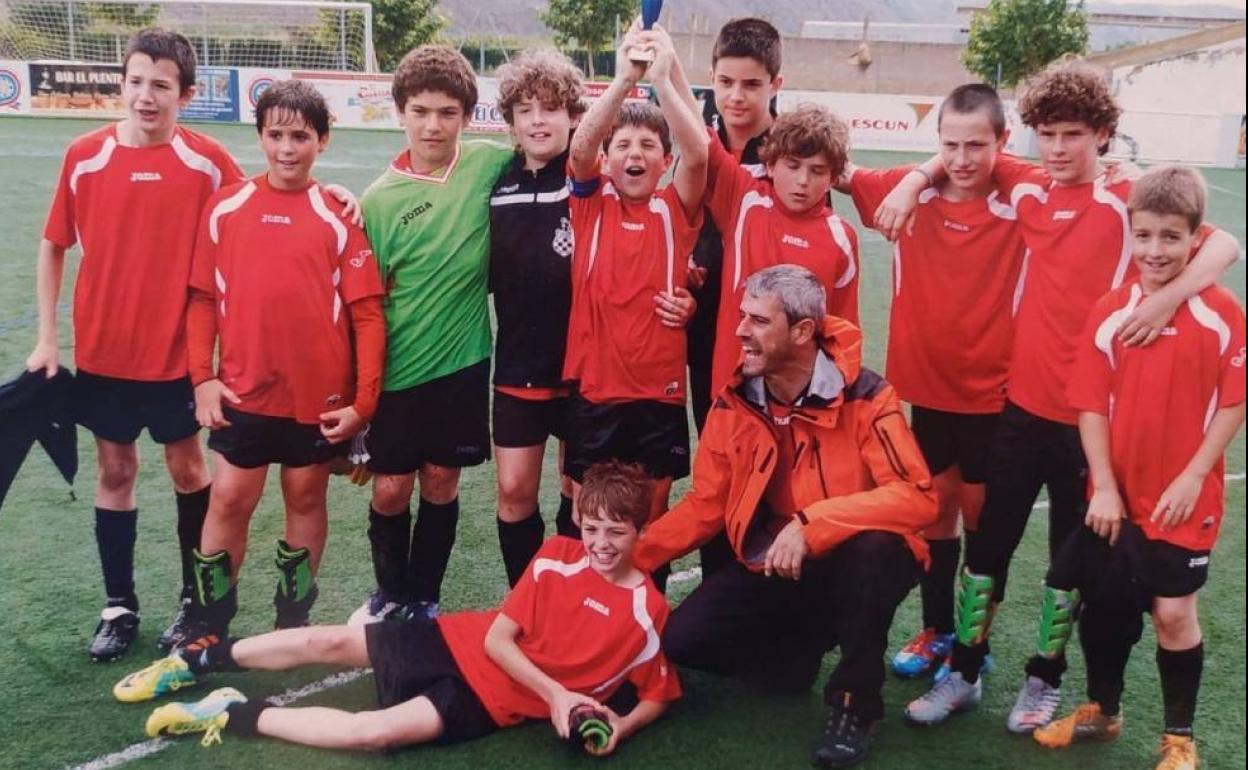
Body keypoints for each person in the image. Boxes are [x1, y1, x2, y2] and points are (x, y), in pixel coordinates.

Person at [894, 58, 1241, 731]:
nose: (1057, 149)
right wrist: (913, 180)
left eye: (1073, 134)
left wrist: (1166, 299)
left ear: (1103, 134)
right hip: (1019, 412)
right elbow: (956, 158)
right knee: (986, 555)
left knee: (1065, 569)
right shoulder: (1025, 183)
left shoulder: (1126, 196)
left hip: (1090, 426)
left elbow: (1221, 240)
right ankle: (963, 670)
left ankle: (1043, 681)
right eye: (1047, 134)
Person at [112, 462, 681, 757]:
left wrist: (620, 727)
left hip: (485, 704)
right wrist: (557, 695)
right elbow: (498, 641)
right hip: (458, 643)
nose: (601, 542)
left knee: (373, 733)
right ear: (577, 523)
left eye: (616, 531)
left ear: (639, 529)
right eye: (591, 527)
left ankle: (227, 713)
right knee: (325, 642)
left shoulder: (647, 613)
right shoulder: (557, 557)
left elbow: (656, 693)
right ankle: (197, 660)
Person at [632, 264, 937, 768]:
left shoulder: (867, 397)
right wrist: (633, 555)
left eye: (757, 320)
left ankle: (854, 704)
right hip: (777, 562)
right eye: (742, 316)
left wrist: (812, 523)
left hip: (852, 556)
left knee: (876, 552)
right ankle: (799, 649)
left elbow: (918, 497)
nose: (739, 331)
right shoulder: (733, 402)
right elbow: (706, 503)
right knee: (685, 640)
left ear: (801, 332)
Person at [26, 28, 245, 661]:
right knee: (115, 470)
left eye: (161, 86)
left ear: (187, 94)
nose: (146, 97)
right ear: (123, 84)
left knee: (186, 469)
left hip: (179, 358)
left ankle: (190, 599)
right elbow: (53, 245)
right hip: (103, 354)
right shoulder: (84, 155)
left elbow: (254, 209)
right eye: (136, 82)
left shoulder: (207, 162)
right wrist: (48, 339)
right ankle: (119, 606)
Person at [1029, 166, 1244, 770]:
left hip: (1184, 499)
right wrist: (1103, 487)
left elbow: (1233, 401)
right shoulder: (1110, 309)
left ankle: (1180, 738)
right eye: (1144, 235)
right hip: (1117, 496)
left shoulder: (1220, 312)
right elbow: (1090, 405)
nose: (1155, 250)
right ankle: (1104, 710)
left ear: (1196, 239)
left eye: (1170, 237)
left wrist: (1194, 474)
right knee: (1105, 602)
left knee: (1174, 613)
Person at [184, 79, 386, 637]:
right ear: (260, 137)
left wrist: (363, 404)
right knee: (228, 499)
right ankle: (211, 624)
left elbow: (367, 316)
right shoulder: (226, 207)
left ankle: (289, 624)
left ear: (322, 140)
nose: (287, 148)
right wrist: (202, 378)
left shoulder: (338, 214)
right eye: (275, 135)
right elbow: (202, 299)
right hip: (243, 393)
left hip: (317, 400)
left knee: (305, 496)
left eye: (300, 136)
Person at [838, 83, 1025, 679]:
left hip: (997, 399)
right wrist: (919, 177)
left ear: (1003, 141)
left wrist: (921, 173)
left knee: (983, 527)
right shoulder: (902, 191)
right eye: (951, 145)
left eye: (977, 144)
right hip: (926, 394)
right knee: (935, 517)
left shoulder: (1020, 197)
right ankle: (937, 630)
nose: (964, 159)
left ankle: (974, 642)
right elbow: (832, 167)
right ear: (936, 142)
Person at [489, 48, 694, 586]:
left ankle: (619, 609)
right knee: (538, 492)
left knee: (599, 499)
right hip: (529, 365)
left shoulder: (601, 185)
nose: (538, 119)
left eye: (552, 108)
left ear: (575, 115)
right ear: (508, 120)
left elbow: (693, 156)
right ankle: (537, 596)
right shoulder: (495, 177)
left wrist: (654, 77)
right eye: (525, 110)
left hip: (598, 375)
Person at [352, 45, 514, 623]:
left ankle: (423, 596)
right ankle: (389, 591)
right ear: (401, 112)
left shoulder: (489, 164)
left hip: (464, 362)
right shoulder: (376, 200)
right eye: (420, 111)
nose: (433, 125)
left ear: (468, 117)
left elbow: (557, 148)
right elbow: (362, 302)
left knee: (442, 481)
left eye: (447, 112)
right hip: (398, 369)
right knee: (391, 487)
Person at [562, 24, 708, 559]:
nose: (635, 152)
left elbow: (699, 155)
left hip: (658, 393)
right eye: (623, 144)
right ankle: (588, 618)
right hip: (597, 390)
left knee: (651, 518)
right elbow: (579, 150)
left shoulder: (675, 210)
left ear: (662, 162)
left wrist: (665, 79)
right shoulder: (590, 203)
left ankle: (643, 620)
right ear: (608, 159)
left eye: (648, 145)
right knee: (590, 515)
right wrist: (625, 79)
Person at [688, 16, 785, 579]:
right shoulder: (698, 138)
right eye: (726, 83)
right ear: (712, 79)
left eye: (750, 84)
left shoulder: (791, 150)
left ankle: (776, 591)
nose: (736, 96)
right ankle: (718, 584)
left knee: (775, 463)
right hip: (707, 330)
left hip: (770, 336)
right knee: (719, 457)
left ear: (776, 82)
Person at [700, 101, 860, 403]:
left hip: (801, 399)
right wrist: (663, 73)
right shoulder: (745, 201)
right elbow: (698, 137)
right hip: (735, 389)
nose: (803, 181)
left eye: (817, 170)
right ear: (770, 166)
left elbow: (842, 328)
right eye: (793, 165)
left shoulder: (842, 237)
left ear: (833, 177)